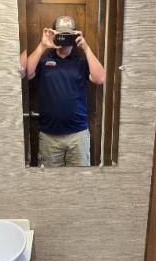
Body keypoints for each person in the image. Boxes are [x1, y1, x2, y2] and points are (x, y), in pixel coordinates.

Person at [26, 15, 106, 167]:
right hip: (49, 136)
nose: (64, 38)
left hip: (78, 135)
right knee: (50, 181)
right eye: (60, 34)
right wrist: (43, 45)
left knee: (80, 179)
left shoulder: (82, 61)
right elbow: (26, 74)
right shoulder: (43, 60)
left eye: (68, 34)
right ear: (54, 34)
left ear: (75, 35)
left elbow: (100, 78)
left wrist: (86, 48)